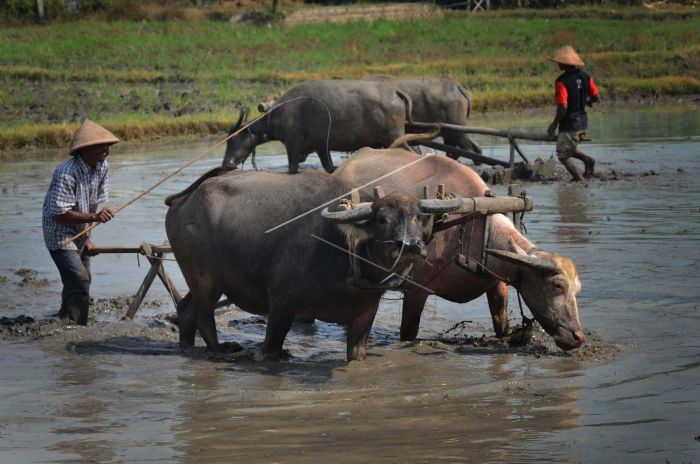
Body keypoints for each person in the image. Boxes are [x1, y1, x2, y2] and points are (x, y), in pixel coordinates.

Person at [42, 119, 119, 324]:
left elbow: (93, 203)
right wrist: (94, 218)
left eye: (107, 145)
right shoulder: (66, 173)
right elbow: (59, 214)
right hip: (59, 233)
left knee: (79, 279)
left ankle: (65, 318)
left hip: (80, 230)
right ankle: (78, 327)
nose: (105, 149)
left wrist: (87, 238)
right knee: (80, 279)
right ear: (85, 149)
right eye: (100, 145)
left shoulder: (102, 166)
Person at [547, 45, 600, 181]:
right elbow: (595, 96)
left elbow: (563, 107)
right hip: (582, 123)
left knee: (563, 156)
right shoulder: (585, 76)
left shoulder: (561, 81)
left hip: (570, 124)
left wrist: (554, 125)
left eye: (559, 62)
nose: (558, 64)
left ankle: (580, 180)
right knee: (568, 147)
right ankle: (587, 160)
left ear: (565, 64)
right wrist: (589, 101)